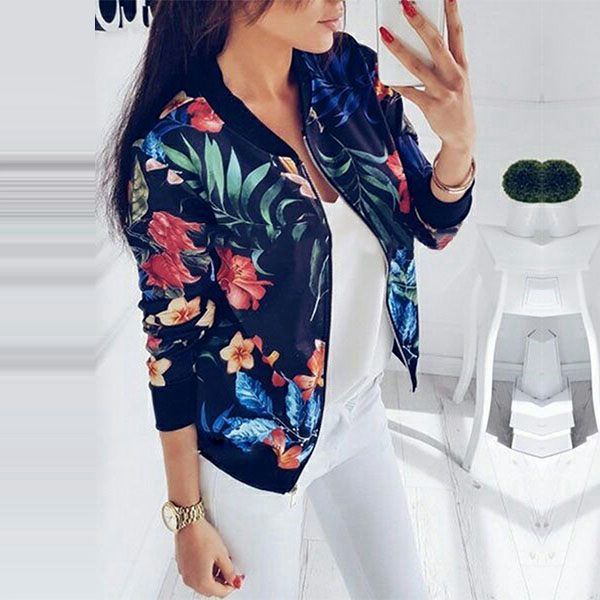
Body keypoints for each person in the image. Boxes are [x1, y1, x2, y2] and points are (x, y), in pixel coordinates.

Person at [97, 0, 476, 598]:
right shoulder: (177, 146)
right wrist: (187, 515)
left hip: (358, 412)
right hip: (252, 452)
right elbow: (171, 343)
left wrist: (458, 143)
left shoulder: (348, 74)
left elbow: (431, 223)